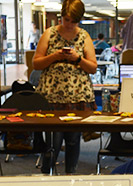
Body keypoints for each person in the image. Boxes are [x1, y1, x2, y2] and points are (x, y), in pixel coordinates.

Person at [33, 0, 97, 174]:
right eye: (66, 20)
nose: (69, 24)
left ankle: (71, 178)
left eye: (73, 21)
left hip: (77, 98)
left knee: (73, 141)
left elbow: (92, 67)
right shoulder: (49, 34)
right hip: (51, 98)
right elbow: (36, 64)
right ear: (61, 17)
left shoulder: (84, 36)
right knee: (53, 142)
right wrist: (55, 56)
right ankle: (46, 177)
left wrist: (77, 58)